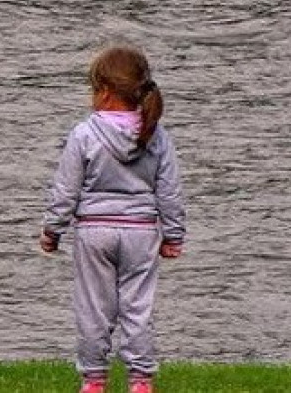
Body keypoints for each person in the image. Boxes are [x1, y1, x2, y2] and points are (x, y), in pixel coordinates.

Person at [39, 46, 185, 393]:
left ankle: (93, 380)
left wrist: (52, 229)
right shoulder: (155, 135)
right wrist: (173, 234)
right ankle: (140, 381)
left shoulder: (84, 134)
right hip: (141, 234)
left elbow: (66, 189)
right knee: (138, 309)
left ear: (103, 91)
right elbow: (169, 190)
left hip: (94, 232)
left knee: (94, 309)